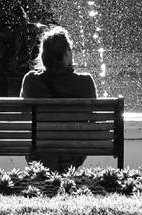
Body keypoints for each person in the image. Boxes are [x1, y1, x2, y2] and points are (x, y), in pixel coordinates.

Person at [20, 26, 97, 172]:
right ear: (67, 54)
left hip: (39, 150)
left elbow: (24, 116)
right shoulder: (85, 82)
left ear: (43, 55)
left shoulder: (30, 80)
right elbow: (93, 121)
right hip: (73, 152)